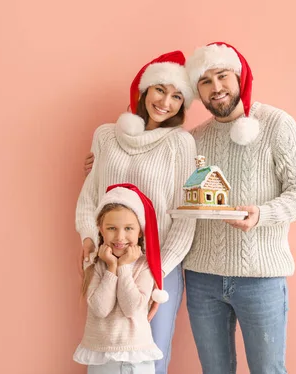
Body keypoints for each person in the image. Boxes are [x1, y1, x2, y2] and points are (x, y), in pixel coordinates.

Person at [179, 41, 296, 374]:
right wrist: (109, 160)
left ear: (239, 76)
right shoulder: (193, 138)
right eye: (205, 81)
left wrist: (263, 214)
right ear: (197, 91)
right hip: (202, 278)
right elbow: (163, 178)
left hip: (261, 278)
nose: (216, 88)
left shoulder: (276, 124)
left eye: (222, 76)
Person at [75, 51, 197, 374]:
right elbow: (90, 197)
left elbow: (186, 217)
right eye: (160, 89)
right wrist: (89, 240)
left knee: (148, 359)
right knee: (107, 352)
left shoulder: (180, 144)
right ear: (144, 90)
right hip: (107, 261)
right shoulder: (105, 135)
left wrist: (159, 272)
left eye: (176, 97)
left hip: (156, 267)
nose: (165, 102)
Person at [74, 183, 169, 374]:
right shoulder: (95, 263)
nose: (120, 237)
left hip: (137, 356)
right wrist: (111, 268)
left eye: (128, 228)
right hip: (102, 358)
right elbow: (100, 309)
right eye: (111, 228)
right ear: (100, 229)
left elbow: (131, 308)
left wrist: (124, 267)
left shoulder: (144, 265)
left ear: (140, 231)